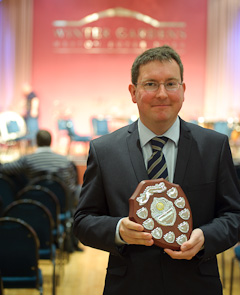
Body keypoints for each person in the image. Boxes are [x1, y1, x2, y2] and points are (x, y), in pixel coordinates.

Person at [73, 45, 240, 295]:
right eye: (151, 84)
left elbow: (234, 215)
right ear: (133, 92)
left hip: (196, 284)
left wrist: (205, 237)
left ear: (183, 90)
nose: (162, 94)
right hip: (129, 286)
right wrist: (119, 230)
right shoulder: (104, 150)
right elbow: (83, 221)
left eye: (171, 83)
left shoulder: (214, 146)